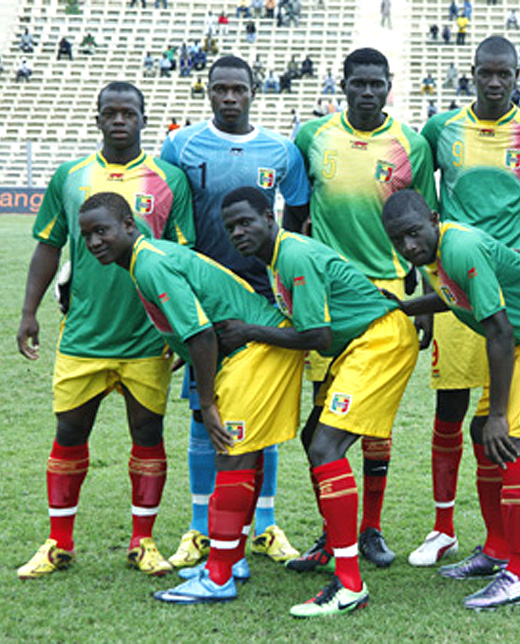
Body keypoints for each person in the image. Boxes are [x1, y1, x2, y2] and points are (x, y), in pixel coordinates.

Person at [77, 192, 303, 604]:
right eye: (87, 235)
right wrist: (179, 349)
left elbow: (200, 335)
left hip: (255, 352)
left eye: (102, 231)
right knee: (242, 456)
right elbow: (196, 323)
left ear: (130, 226)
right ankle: (230, 559)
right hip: (256, 350)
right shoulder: (149, 257)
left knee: (231, 455)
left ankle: (218, 577)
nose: (94, 242)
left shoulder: (150, 263)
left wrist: (209, 401)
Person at [16, 82, 194, 580]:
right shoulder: (70, 176)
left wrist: (180, 329)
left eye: (129, 113)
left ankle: (143, 541)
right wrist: (29, 312)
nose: (120, 120)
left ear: (144, 117)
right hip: (84, 336)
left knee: (147, 435)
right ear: (97, 118)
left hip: (146, 335)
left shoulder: (170, 179)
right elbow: (48, 246)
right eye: (110, 113)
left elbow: (181, 258)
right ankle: (58, 542)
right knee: (69, 434)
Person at [382, 190, 520, 609]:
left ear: (434, 219)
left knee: (508, 438)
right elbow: (452, 298)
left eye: (413, 233)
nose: (408, 246)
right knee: (482, 434)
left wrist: (500, 413)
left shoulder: (460, 246)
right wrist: (403, 308)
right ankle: (497, 549)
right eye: (397, 240)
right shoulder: (439, 252)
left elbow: (499, 330)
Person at [217, 186, 418, 616]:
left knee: (328, 446)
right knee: (315, 438)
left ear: (269, 218)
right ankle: (333, 543)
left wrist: (248, 333)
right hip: (361, 340)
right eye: (230, 226)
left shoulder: (293, 256)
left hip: (379, 341)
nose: (238, 232)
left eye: (246, 222)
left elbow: (316, 337)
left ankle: (349, 584)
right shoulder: (279, 257)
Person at [413, 36, 520, 567]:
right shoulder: (442, 129)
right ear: (472, 73)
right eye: (487, 73)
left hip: (513, 290)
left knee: (503, 415)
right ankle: (441, 528)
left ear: (518, 74)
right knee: (451, 408)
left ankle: (505, 533)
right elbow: (421, 201)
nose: (496, 82)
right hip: (457, 282)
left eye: (505, 74)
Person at [160, 55, 310, 570]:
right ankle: (201, 530)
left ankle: (264, 526)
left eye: (237, 89)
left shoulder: (282, 151)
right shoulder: (181, 145)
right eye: (219, 89)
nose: (229, 97)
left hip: (261, 302)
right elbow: (171, 221)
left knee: (258, 416)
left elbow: (299, 215)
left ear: (254, 90)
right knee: (205, 415)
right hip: (202, 302)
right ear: (207, 91)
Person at [290, 48, 438, 571]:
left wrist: (422, 295)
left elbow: (421, 221)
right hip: (326, 297)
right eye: (359, 83)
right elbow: (296, 219)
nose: (368, 91)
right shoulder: (313, 137)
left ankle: (369, 530)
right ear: (343, 84)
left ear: (390, 85)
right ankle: (333, 534)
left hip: (387, 295)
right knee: (322, 415)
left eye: (377, 83)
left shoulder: (410, 145)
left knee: (374, 422)